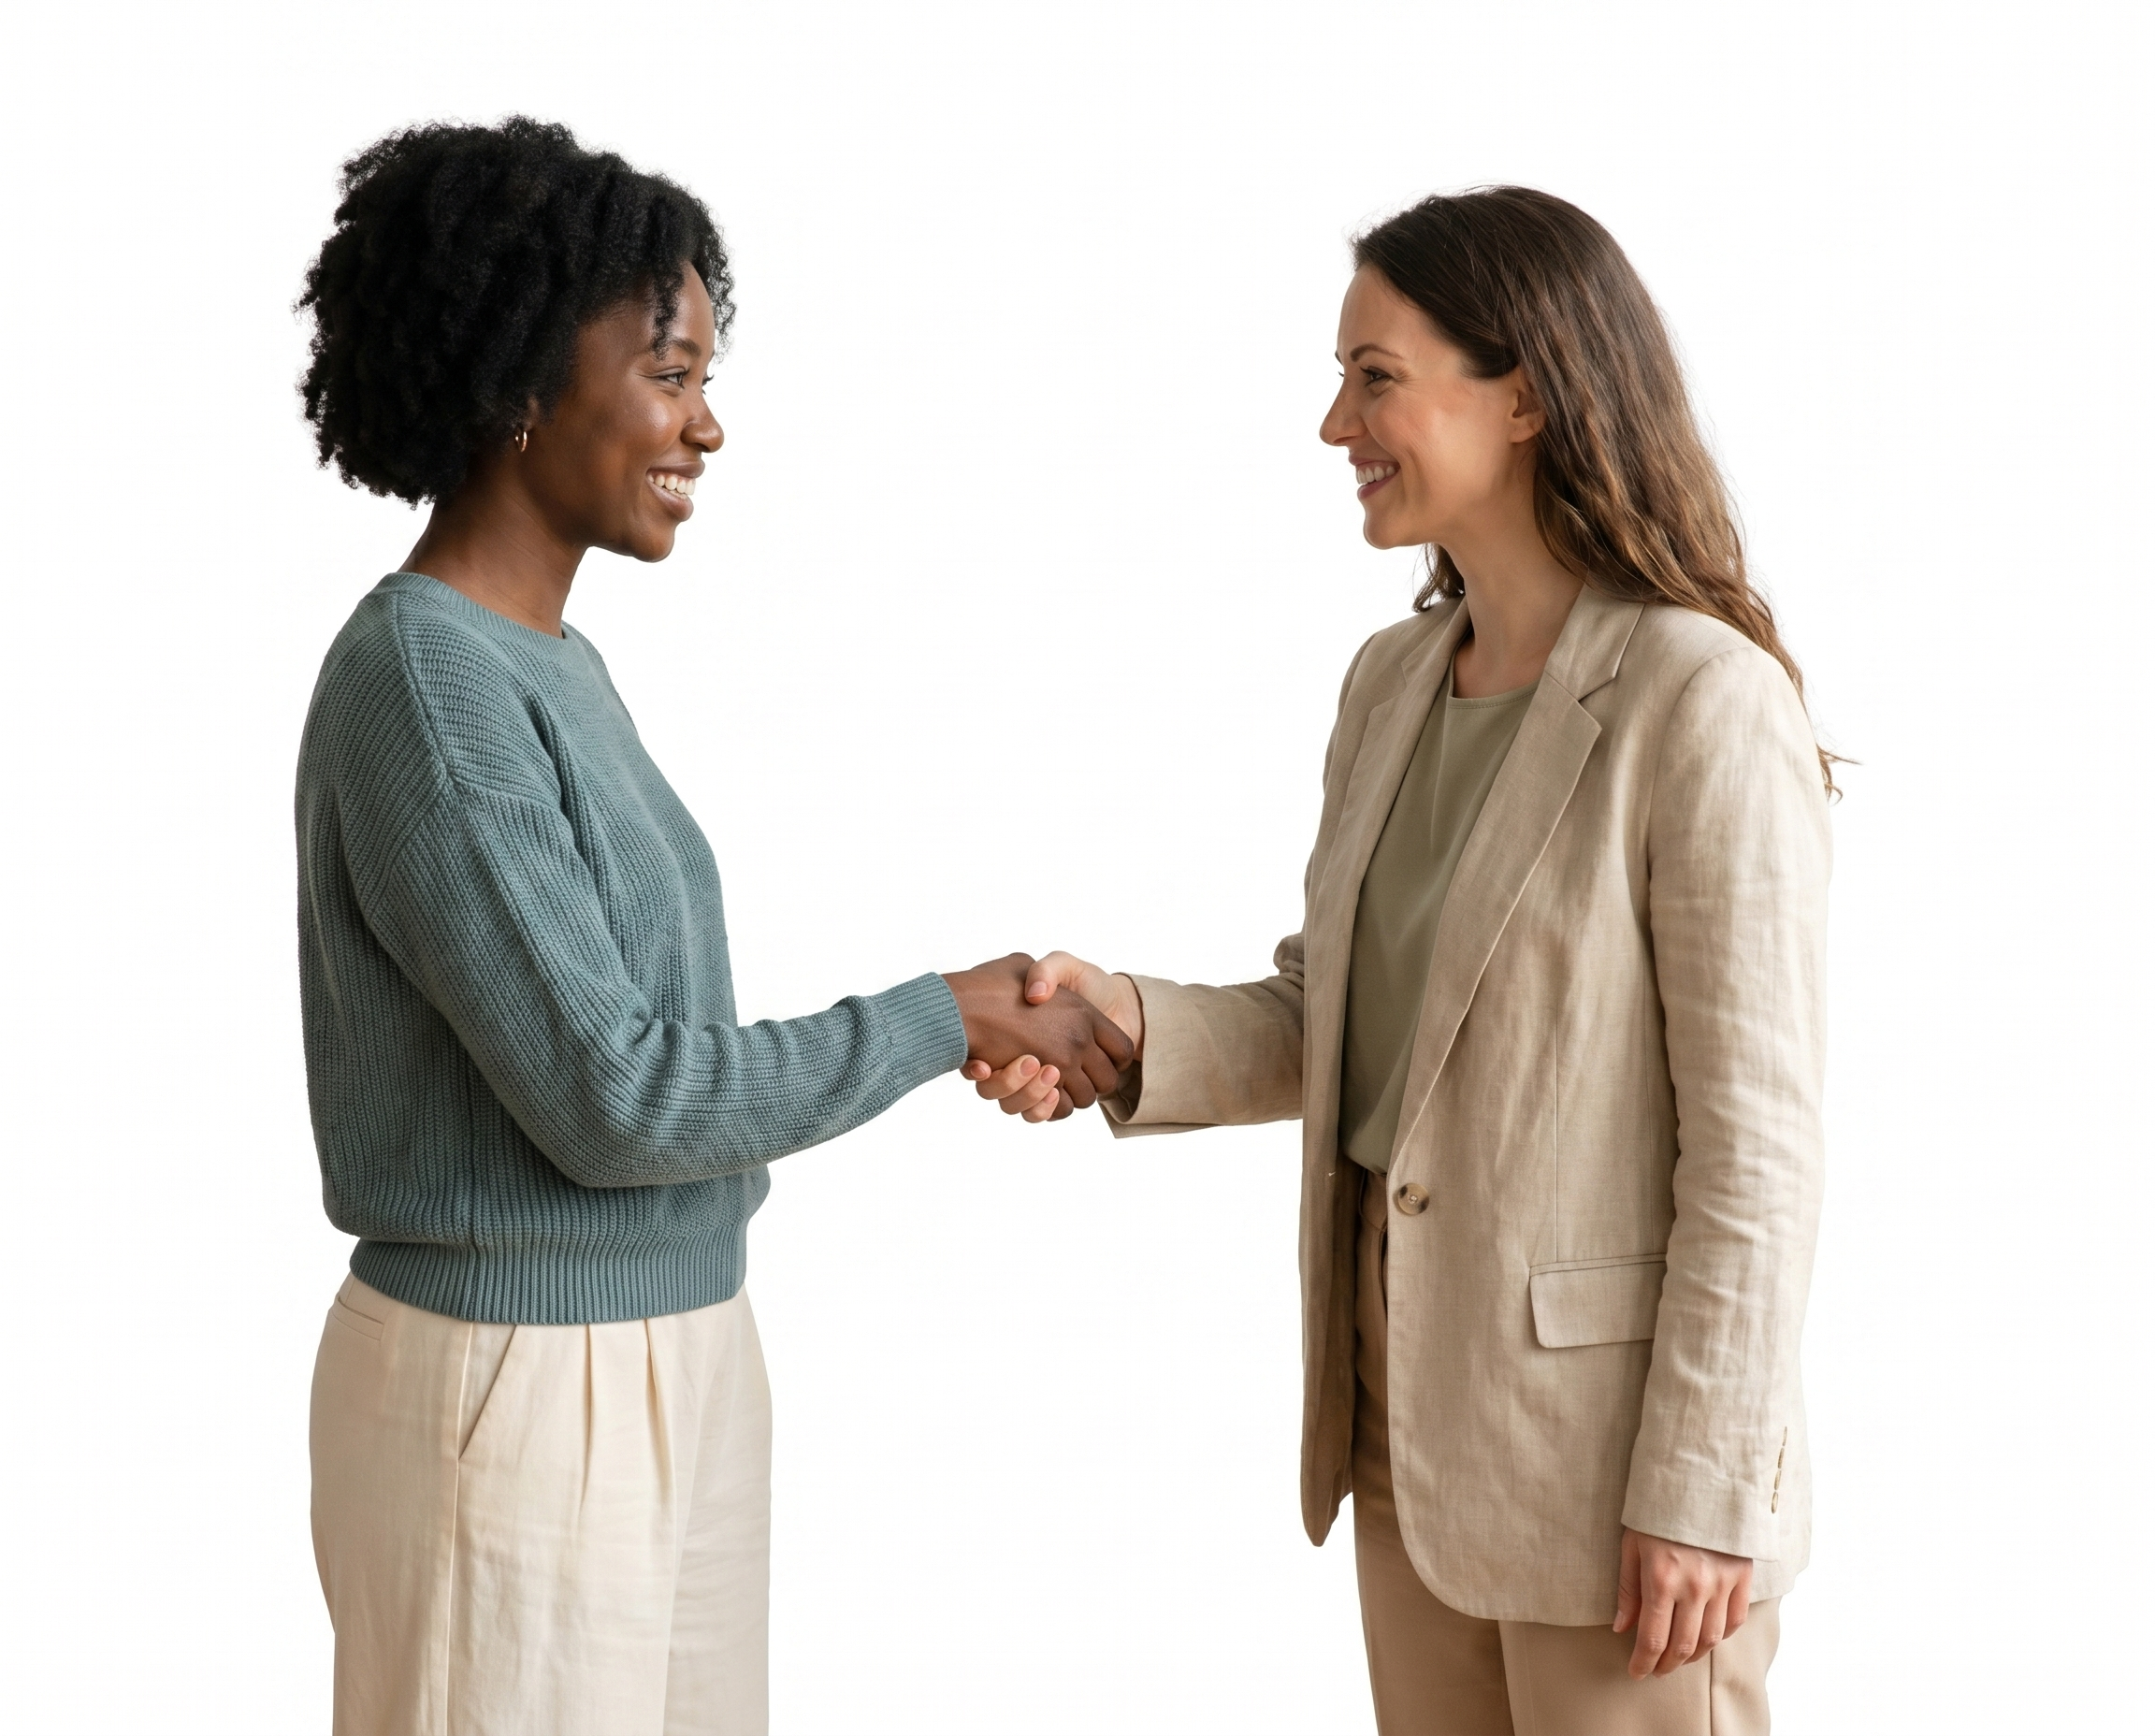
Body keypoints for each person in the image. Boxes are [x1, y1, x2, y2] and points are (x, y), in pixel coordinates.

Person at [293, 118, 1129, 1736]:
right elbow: (620, 1099)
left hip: (674, 1346)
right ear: (522, 379)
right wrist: (945, 1012)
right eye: (669, 370)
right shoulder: (424, 677)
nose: (708, 423)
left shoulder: (553, 668)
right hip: (516, 1387)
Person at [970, 186, 1831, 1736]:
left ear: (1526, 396)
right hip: (1407, 1429)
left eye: (1374, 376)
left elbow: (1756, 1150)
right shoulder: (1391, 685)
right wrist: (1125, 1026)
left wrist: (1706, 1485)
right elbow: (1344, 1019)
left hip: (1618, 1481)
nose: (1332, 423)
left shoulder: (1699, 701)